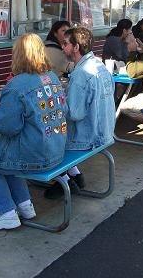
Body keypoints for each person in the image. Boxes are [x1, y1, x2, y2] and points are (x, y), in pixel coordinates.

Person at [0, 33, 67, 230]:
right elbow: (64, 111)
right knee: (5, 158)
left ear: (17, 55)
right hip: (56, 151)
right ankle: (25, 205)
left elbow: (8, 127)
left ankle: (6, 213)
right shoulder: (52, 78)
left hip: (36, 156)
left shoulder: (16, 85)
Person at [44, 27, 116, 199]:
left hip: (90, 137)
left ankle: (63, 180)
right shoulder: (99, 65)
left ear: (76, 47)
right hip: (105, 130)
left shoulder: (81, 74)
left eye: (65, 44)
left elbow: (75, 114)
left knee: (45, 134)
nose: (62, 48)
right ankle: (75, 174)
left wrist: (56, 101)